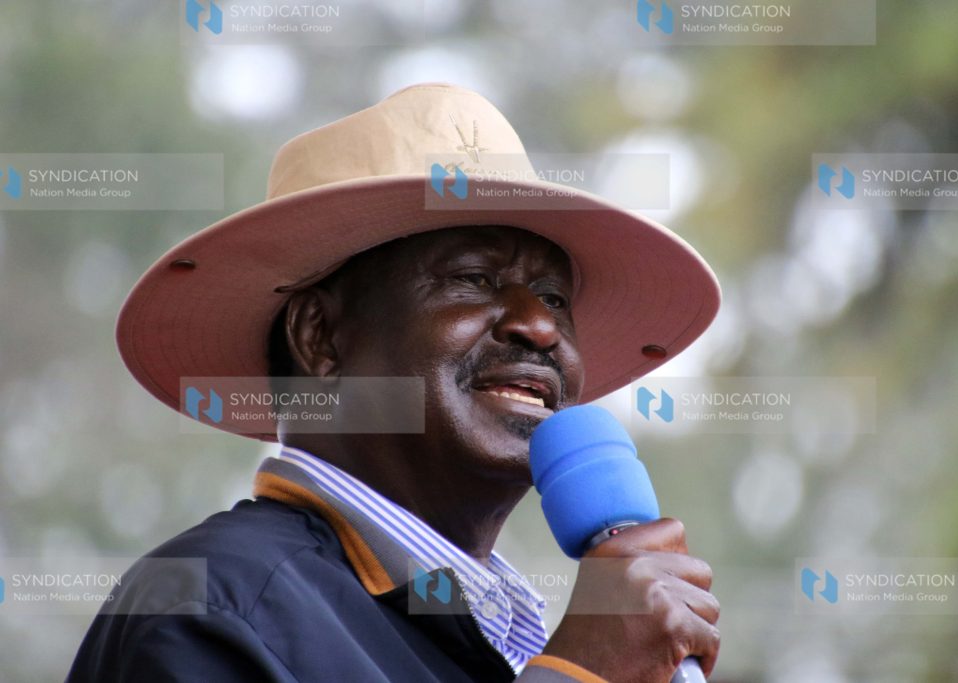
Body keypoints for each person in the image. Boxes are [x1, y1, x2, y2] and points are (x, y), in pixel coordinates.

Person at [68, 83, 722, 683]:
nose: (537, 326)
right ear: (320, 335)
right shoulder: (209, 606)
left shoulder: (494, 644)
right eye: (473, 279)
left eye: (553, 296)